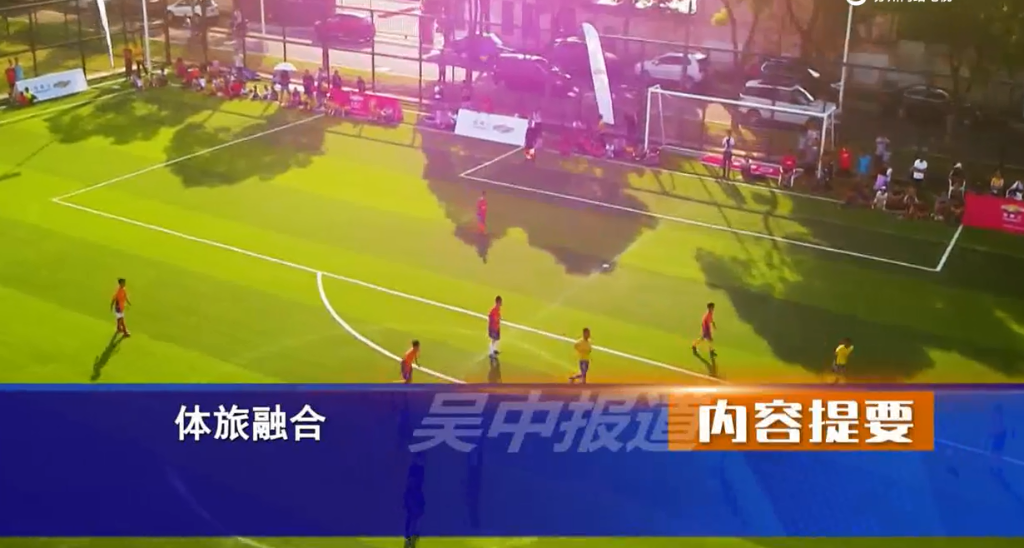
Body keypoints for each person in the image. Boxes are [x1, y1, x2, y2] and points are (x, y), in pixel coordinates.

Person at [488, 296, 502, 366]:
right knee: (493, 339)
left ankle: (494, 350)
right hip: (493, 327)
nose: (501, 303)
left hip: (496, 327)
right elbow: (490, 317)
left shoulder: (497, 309)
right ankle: (491, 352)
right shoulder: (493, 310)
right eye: (500, 302)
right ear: (498, 302)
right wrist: (495, 321)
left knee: (496, 339)